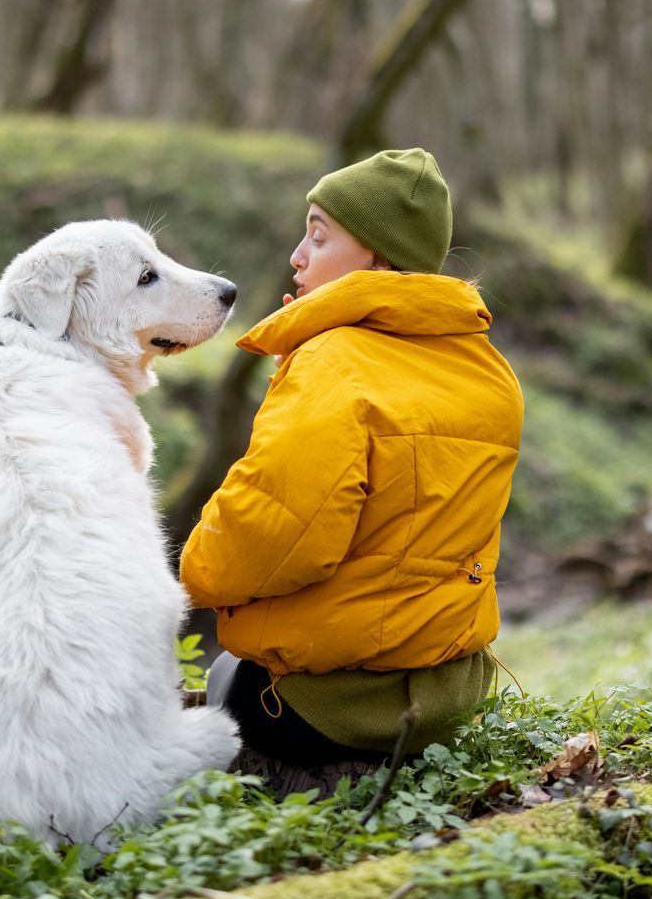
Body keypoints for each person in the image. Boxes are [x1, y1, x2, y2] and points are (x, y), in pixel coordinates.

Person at [180, 148, 525, 777]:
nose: (297, 256)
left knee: (225, 677)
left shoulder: (332, 362)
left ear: (376, 256)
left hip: (335, 709)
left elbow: (275, 535)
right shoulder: (489, 367)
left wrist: (187, 575)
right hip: (454, 697)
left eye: (318, 236)